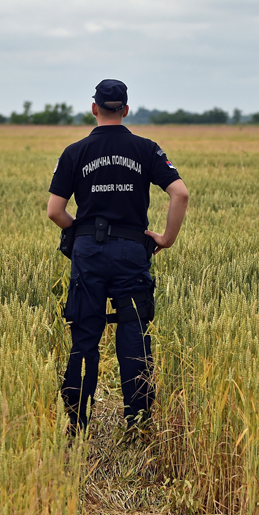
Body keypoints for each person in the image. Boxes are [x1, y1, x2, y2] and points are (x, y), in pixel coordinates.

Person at [47, 79, 190, 435]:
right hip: (131, 251)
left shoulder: (74, 152)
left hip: (88, 253)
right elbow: (180, 194)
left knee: (84, 336)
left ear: (94, 108)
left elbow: (54, 211)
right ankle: (137, 426)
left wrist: (81, 232)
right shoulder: (146, 149)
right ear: (125, 109)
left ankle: (76, 425)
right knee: (134, 333)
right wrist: (166, 239)